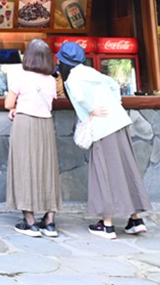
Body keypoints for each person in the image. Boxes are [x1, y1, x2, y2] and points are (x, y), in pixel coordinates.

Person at [57, 41, 151, 240]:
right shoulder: (91, 72)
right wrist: (114, 104)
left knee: (104, 172)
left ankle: (107, 225)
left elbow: (80, 97)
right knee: (126, 168)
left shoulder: (72, 78)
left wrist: (91, 109)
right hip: (118, 121)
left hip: (102, 127)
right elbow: (114, 85)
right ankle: (136, 219)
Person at [5, 38, 61, 237]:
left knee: (24, 168)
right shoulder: (51, 80)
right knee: (48, 169)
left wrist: (15, 108)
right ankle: (50, 221)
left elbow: (8, 103)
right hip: (45, 124)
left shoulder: (20, 76)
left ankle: (30, 222)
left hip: (25, 124)